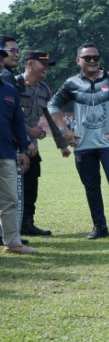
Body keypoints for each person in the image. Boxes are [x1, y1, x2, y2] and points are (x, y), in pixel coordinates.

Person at [48, 43, 109, 242]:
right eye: (87, 57)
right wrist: (64, 130)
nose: (92, 61)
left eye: (95, 57)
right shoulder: (72, 83)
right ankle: (100, 226)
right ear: (78, 61)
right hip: (83, 144)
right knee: (91, 186)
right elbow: (52, 104)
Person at [18, 50, 71, 236]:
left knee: (31, 187)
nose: (46, 69)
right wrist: (27, 131)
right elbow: (8, 115)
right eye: (43, 64)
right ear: (30, 64)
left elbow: (51, 117)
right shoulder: (13, 84)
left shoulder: (44, 90)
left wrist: (62, 144)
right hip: (12, 143)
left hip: (33, 147)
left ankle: (26, 224)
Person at [0, 49, 37, 254]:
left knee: (10, 200)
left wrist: (23, 149)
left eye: (0, 59)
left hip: (6, 154)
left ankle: (12, 243)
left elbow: (18, 124)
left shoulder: (10, 90)